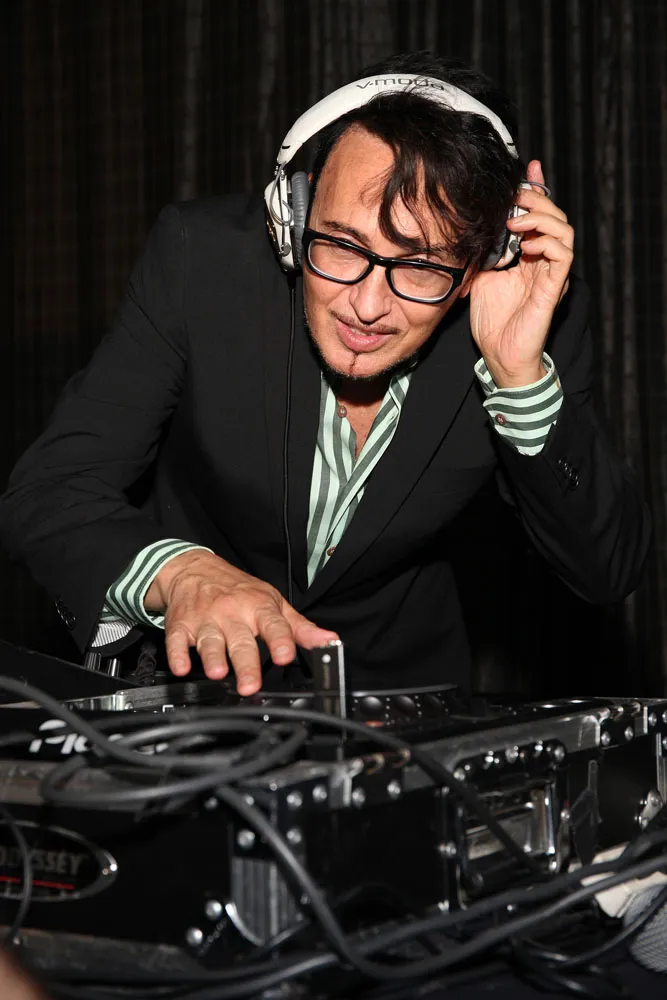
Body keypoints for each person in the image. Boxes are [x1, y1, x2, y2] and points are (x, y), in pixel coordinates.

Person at [0, 52, 650, 696]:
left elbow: (609, 569)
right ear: (293, 214)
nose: (366, 305)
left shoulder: (527, 316)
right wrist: (180, 574)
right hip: (192, 693)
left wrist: (516, 375)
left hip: (399, 707)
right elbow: (50, 491)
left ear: (484, 261)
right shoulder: (202, 263)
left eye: (420, 266)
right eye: (340, 244)